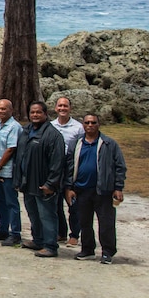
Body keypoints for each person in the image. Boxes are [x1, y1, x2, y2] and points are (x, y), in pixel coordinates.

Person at [67, 114, 126, 264]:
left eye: (93, 122)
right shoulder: (77, 143)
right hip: (81, 190)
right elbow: (69, 166)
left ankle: (107, 252)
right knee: (84, 222)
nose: (90, 125)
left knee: (106, 223)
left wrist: (118, 187)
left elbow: (120, 167)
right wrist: (69, 187)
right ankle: (87, 250)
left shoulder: (109, 144)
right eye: (87, 122)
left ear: (99, 124)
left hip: (103, 191)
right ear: (83, 125)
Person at [14, 101, 67, 258]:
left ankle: (50, 245)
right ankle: (38, 240)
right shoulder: (26, 131)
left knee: (47, 215)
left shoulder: (53, 135)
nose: (35, 115)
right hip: (27, 182)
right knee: (33, 214)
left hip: (43, 184)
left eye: (38, 112)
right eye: (32, 112)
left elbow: (58, 163)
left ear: (45, 114)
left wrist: (51, 184)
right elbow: (19, 156)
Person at [0, 99, 24, 246]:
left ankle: (15, 233)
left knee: (11, 202)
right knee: (0, 201)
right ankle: (3, 229)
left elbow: (11, 149)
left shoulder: (14, 127)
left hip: (8, 171)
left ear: (11, 110)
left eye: (4, 109)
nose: (1, 111)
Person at [51, 96, 85, 247]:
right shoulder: (51, 126)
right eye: (60, 106)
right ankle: (61, 232)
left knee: (73, 203)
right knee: (56, 203)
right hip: (55, 168)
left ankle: (75, 234)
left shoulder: (78, 128)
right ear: (55, 108)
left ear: (70, 108)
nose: (62, 109)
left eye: (65, 106)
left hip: (71, 167)